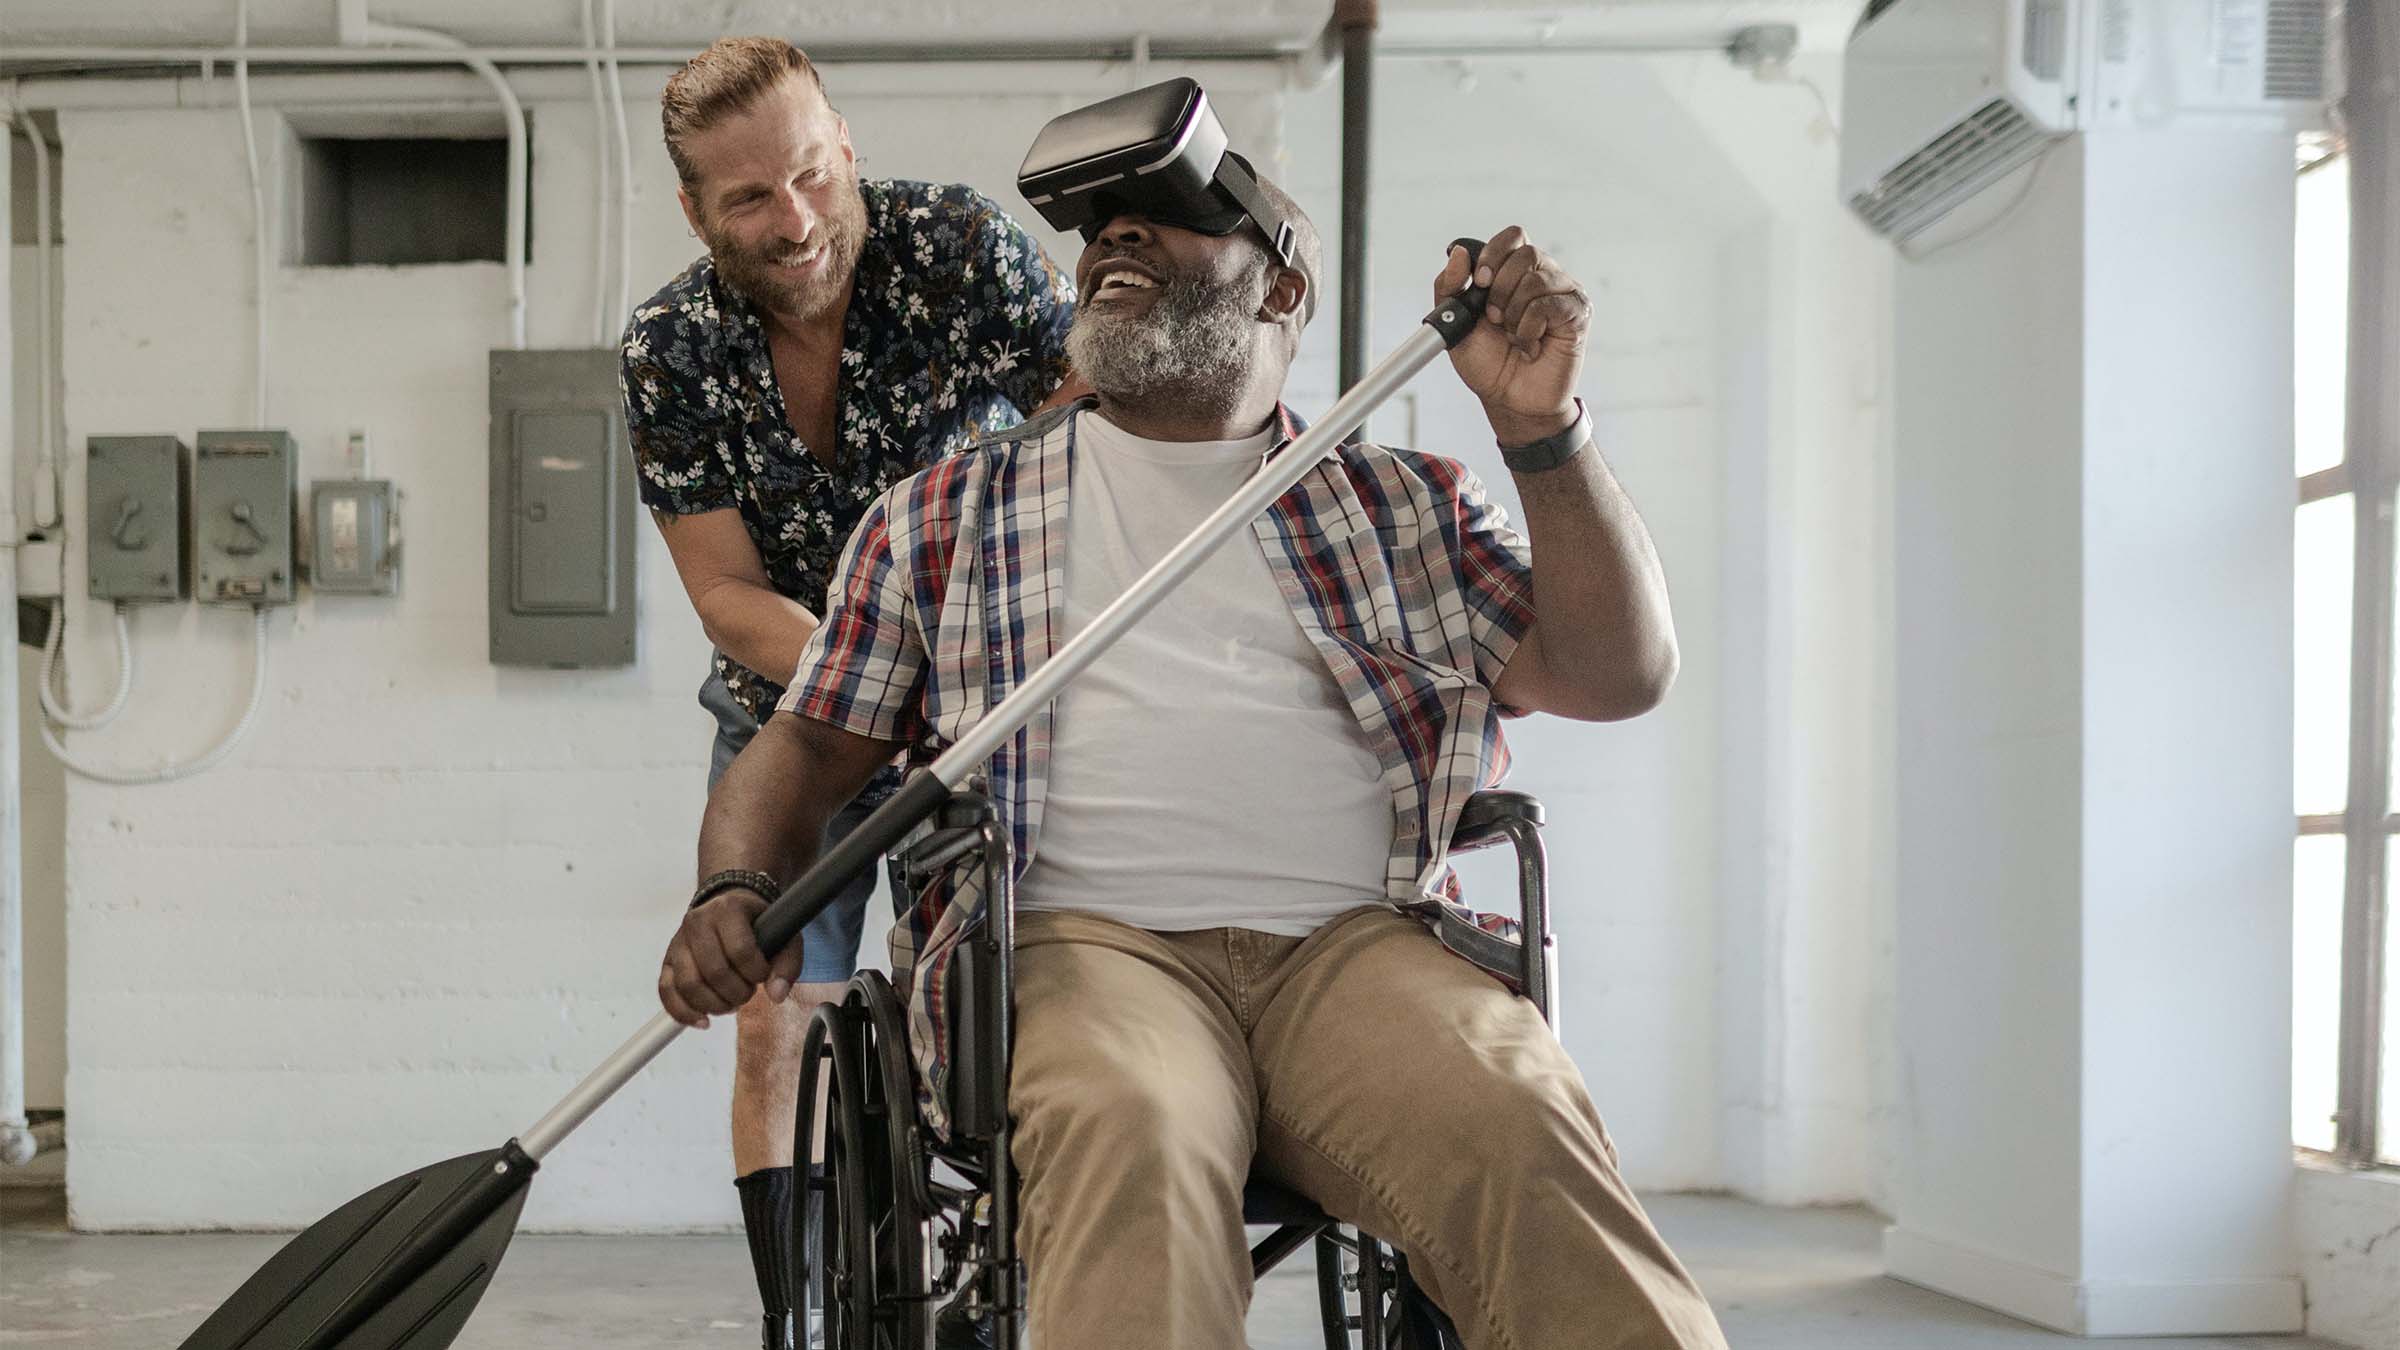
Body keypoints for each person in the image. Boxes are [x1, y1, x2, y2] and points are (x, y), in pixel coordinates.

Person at [656, 158, 1730, 1348]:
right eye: (1104, 230)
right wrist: (734, 884)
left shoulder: (1400, 504)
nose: (1116, 239)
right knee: (1137, 1133)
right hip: (1082, 951)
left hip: (1355, 952)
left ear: (1278, 289)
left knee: (1521, 1129)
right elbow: (806, 746)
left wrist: (1541, 432)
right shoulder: (941, 514)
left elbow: (1614, 674)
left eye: (1168, 224)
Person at [619, 37, 1075, 1350]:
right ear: (699, 210)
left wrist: (984, 646)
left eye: (812, 174)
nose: (796, 217)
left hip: (983, 707)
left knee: (998, 1011)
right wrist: (869, 668)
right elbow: (722, 588)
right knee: (774, 1010)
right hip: (791, 706)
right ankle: (797, 1317)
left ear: (847, 149)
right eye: (751, 197)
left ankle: (1003, 1269)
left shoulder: (959, 251)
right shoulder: (669, 350)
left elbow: (1098, 422)